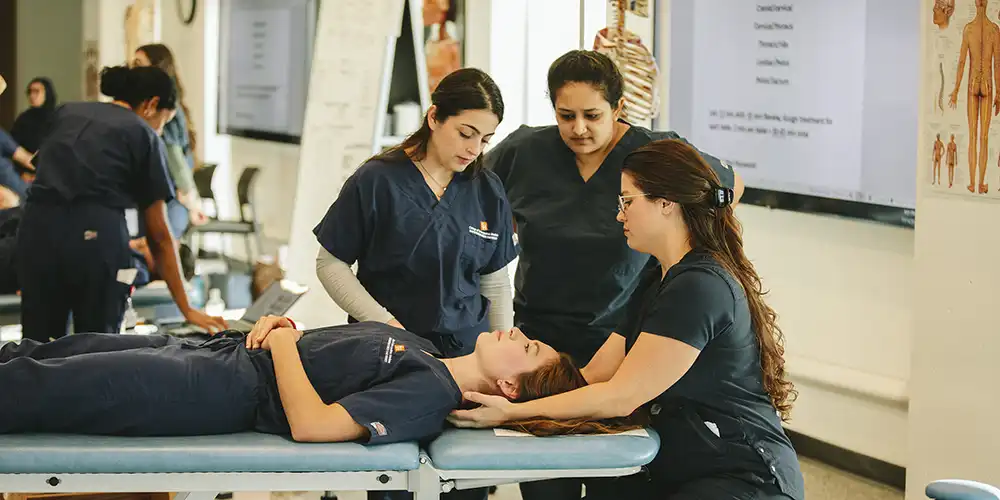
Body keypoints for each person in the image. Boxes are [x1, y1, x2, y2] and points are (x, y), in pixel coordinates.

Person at [451, 139, 805, 500]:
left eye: (627, 202)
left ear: (666, 203)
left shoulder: (699, 287)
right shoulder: (659, 277)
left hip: (742, 475)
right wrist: (508, 384)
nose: (619, 215)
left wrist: (511, 413)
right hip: (684, 463)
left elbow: (620, 396)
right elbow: (595, 374)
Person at [485, 50, 742, 367]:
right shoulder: (523, 151)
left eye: (592, 116)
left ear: (618, 108)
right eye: (566, 116)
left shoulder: (653, 153)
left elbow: (730, 187)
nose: (579, 129)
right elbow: (473, 196)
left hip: (622, 339)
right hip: (535, 339)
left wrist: (682, 254)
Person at [0, 317, 618, 445]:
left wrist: (286, 346)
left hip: (216, 390)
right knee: (33, 353)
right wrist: (282, 326)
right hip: (211, 353)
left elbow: (312, 423)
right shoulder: (425, 349)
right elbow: (320, 356)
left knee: (29, 385)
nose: (516, 333)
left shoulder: (427, 393)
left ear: (510, 390)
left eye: (527, 348)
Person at [314, 68, 516, 359]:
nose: (474, 149)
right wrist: (387, 326)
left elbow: (494, 281)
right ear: (434, 117)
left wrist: (502, 354)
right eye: (465, 134)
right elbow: (331, 265)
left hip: (467, 353)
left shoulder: (486, 188)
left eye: (485, 140)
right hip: (390, 350)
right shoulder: (377, 180)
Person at [15, 65, 226, 342]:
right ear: (151, 105)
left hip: (35, 233)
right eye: (164, 122)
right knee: (97, 352)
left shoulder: (66, 112)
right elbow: (159, 235)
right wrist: (187, 308)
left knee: (35, 351)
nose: (160, 131)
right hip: (94, 240)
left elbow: (41, 168)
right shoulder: (142, 133)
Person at [132, 44, 207, 237]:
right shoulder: (148, 105)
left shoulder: (167, 108)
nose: (132, 70)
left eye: (139, 64)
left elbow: (174, 157)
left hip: (172, 201)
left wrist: (192, 202)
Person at [11, 77, 58, 154]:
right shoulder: (24, 118)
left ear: (47, 93)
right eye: (29, 92)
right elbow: (13, 145)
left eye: (36, 91)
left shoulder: (57, 117)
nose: (32, 96)